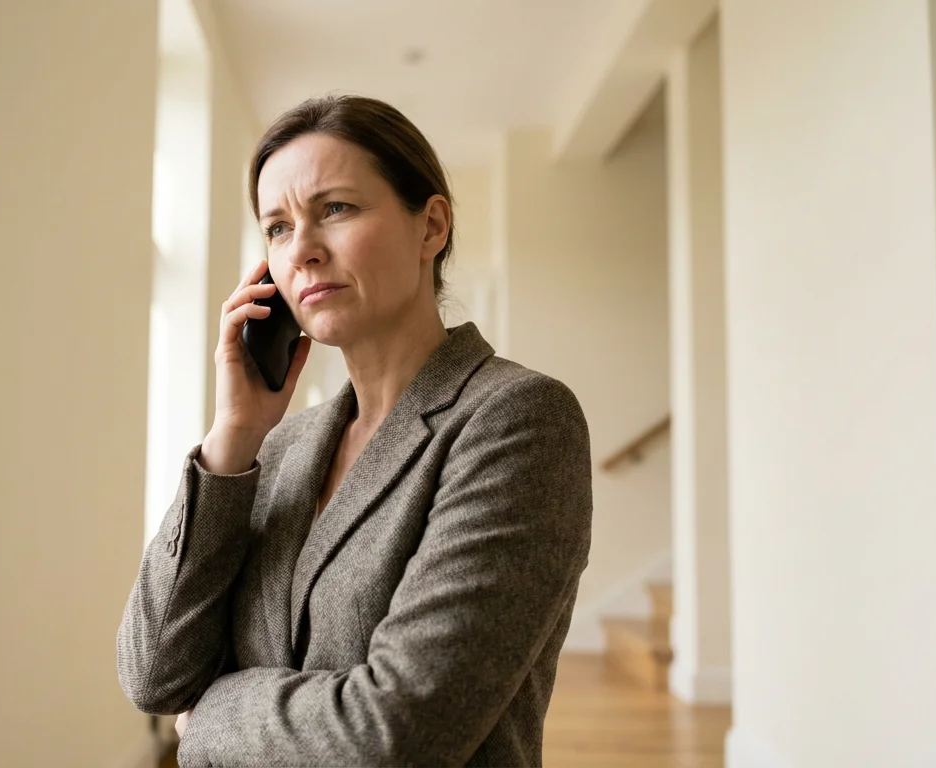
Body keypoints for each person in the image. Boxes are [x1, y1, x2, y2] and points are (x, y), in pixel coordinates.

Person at [117, 95, 593, 767]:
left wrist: (213, 712)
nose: (304, 250)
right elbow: (154, 675)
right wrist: (230, 440)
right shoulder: (275, 449)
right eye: (277, 228)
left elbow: (399, 733)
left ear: (430, 227)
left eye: (334, 209)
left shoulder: (516, 421)